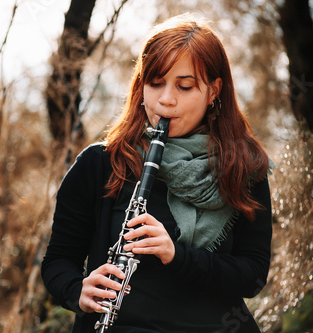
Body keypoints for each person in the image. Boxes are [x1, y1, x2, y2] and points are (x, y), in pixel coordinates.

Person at [41, 13, 273, 333]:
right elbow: (58, 262)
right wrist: (75, 290)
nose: (166, 100)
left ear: (214, 90)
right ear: (141, 85)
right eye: (156, 83)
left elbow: (254, 276)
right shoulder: (98, 164)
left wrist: (177, 256)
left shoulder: (244, 170)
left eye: (185, 86)